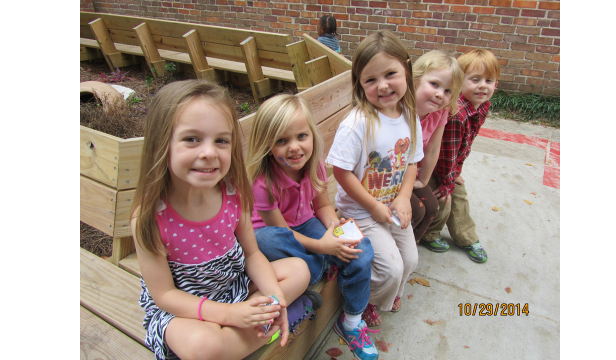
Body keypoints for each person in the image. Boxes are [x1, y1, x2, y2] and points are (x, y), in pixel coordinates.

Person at [130, 80, 310, 360]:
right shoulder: (151, 217)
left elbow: (252, 254)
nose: (209, 152)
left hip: (233, 286)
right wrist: (229, 314)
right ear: (161, 143)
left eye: (221, 141)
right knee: (204, 347)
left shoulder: (233, 195)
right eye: (191, 139)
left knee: (299, 270)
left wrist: (275, 300)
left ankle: (267, 321)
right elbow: (164, 295)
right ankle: (273, 324)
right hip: (184, 309)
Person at [246, 94, 379, 360]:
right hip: (276, 235)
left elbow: (321, 207)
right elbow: (283, 232)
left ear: (312, 136)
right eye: (282, 141)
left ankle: (351, 322)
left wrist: (334, 227)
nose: (294, 148)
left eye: (301, 137)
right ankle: (319, 265)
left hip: (307, 225)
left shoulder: (314, 166)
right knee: (266, 240)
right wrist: (323, 246)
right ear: (267, 144)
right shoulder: (263, 182)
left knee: (360, 248)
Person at [326, 30, 424, 331]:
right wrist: (373, 205)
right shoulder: (358, 123)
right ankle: (367, 301)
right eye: (370, 80)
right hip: (360, 210)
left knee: (410, 260)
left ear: (406, 68)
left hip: (392, 206)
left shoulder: (409, 114)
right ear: (359, 84)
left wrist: (404, 196)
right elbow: (340, 172)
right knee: (391, 268)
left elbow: (411, 163)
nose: (382, 86)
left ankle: (386, 294)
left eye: (390, 74)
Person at [420, 48, 501, 263]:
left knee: (457, 195)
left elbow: (464, 146)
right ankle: (431, 235)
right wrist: (448, 181)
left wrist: (457, 171)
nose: (483, 86)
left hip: (448, 165)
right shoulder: (458, 115)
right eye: (475, 80)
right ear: (459, 83)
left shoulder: (481, 107)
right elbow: (445, 154)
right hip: (435, 166)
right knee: (445, 200)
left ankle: (465, 237)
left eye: (489, 80)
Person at [410, 50, 464, 244]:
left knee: (433, 207)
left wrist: (423, 181)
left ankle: (412, 244)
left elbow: (433, 148)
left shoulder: (441, 111)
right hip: (391, 176)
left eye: (448, 90)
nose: (440, 94)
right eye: (434, 84)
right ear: (416, 79)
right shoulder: (402, 109)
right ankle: (395, 246)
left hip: (415, 172)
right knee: (416, 209)